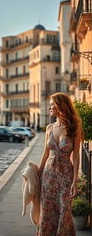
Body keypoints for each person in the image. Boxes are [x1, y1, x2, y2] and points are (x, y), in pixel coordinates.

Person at [36, 92, 82, 236]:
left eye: (52, 105)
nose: (49, 108)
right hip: (48, 175)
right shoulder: (49, 127)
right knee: (48, 212)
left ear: (60, 106)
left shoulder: (74, 127)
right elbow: (45, 154)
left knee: (64, 212)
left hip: (65, 175)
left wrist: (75, 181)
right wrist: (37, 174)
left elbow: (76, 157)